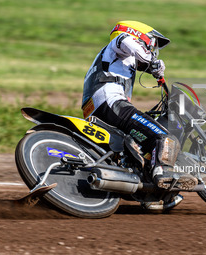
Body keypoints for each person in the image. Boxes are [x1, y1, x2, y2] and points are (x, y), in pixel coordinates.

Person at [82, 20, 197, 191]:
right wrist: (151, 60)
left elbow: (140, 60)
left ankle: (148, 188)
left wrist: (154, 70)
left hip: (100, 107)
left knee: (142, 137)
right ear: (139, 36)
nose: (153, 50)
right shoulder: (119, 41)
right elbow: (128, 43)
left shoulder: (117, 59)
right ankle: (163, 173)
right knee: (164, 137)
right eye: (152, 44)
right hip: (110, 103)